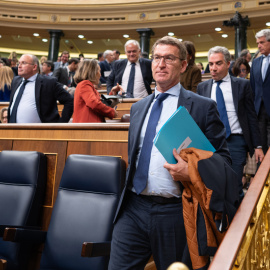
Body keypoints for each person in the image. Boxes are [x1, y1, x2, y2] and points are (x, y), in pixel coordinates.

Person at [109, 36, 235, 270]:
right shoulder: (138, 107)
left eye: (169, 58)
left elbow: (225, 163)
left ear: (184, 65)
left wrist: (193, 171)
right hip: (133, 208)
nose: (161, 64)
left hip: (175, 211)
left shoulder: (202, 107)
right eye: (157, 58)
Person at [197, 46, 264, 201]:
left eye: (218, 63)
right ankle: (219, 222)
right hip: (210, 143)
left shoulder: (242, 85)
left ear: (228, 64)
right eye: (211, 64)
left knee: (234, 186)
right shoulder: (202, 87)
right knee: (213, 186)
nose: (213, 68)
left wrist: (258, 146)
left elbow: (251, 117)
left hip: (236, 141)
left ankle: (236, 222)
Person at [8, 54, 73, 123]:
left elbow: (69, 100)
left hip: (40, 132)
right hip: (13, 130)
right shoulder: (15, 81)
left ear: (34, 67)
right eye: (19, 63)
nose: (19, 66)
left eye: (24, 63)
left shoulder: (48, 82)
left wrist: (61, 124)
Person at [250, 29, 270, 155]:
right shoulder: (256, 62)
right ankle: (261, 173)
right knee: (261, 146)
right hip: (259, 109)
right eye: (258, 43)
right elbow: (253, 86)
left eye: (262, 42)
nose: (259, 46)